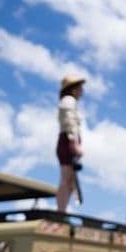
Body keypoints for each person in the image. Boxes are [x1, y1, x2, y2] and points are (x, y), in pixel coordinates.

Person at [56, 75, 86, 212]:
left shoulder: (68, 101)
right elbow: (69, 123)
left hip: (68, 141)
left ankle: (63, 210)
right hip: (68, 142)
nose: (82, 91)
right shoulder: (69, 101)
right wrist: (74, 143)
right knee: (66, 179)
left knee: (69, 181)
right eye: (80, 88)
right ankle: (61, 211)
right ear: (73, 89)